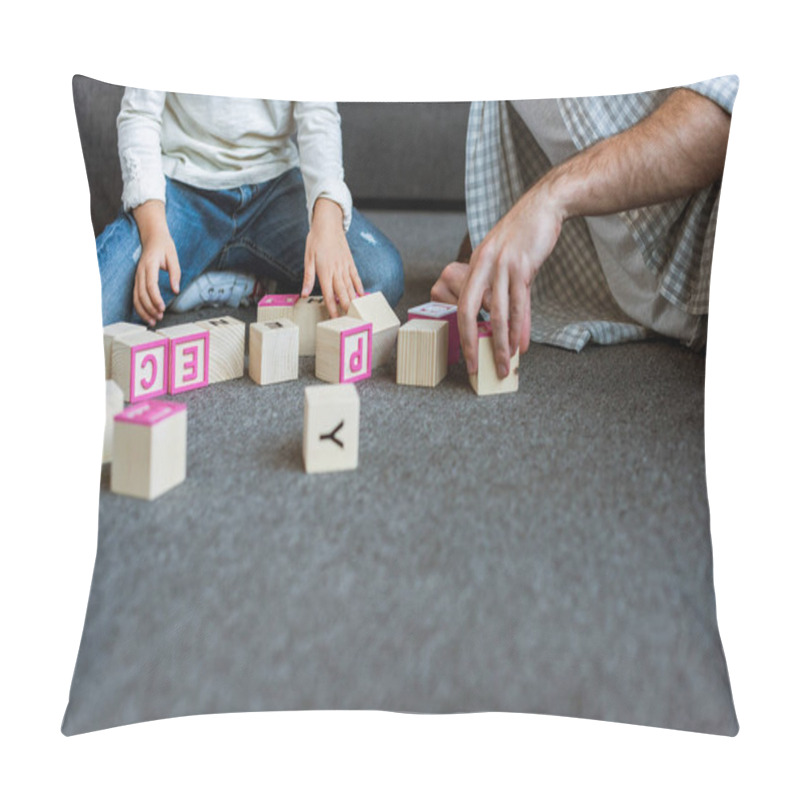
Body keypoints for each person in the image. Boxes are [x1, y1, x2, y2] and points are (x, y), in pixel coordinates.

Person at [431, 77, 738, 379]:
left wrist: (552, 196)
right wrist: (483, 261)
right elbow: (521, 183)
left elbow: (727, 107)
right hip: (631, 309)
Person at [97, 89, 404, 326]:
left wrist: (327, 217)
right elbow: (139, 116)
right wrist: (154, 232)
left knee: (381, 276)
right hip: (183, 191)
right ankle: (225, 278)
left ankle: (239, 279)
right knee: (95, 307)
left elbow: (319, 116)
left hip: (274, 189)